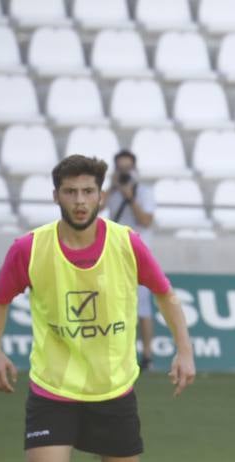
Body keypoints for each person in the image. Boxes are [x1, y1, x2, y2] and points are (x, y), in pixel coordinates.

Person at [0, 154, 196, 462]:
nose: (80, 201)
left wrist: (184, 350)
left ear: (101, 196)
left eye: (87, 192)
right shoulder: (30, 248)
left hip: (111, 389)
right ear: (56, 195)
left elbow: (165, 294)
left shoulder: (127, 244)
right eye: (70, 192)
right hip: (53, 388)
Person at [103, 149, 157, 370]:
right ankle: (118, 355)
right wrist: (111, 187)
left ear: (135, 170)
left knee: (142, 307)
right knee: (112, 305)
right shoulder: (111, 193)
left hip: (138, 256)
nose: (125, 173)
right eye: (120, 169)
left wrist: (130, 197)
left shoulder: (144, 192)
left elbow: (145, 220)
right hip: (114, 253)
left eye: (128, 168)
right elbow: (93, 209)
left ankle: (147, 356)